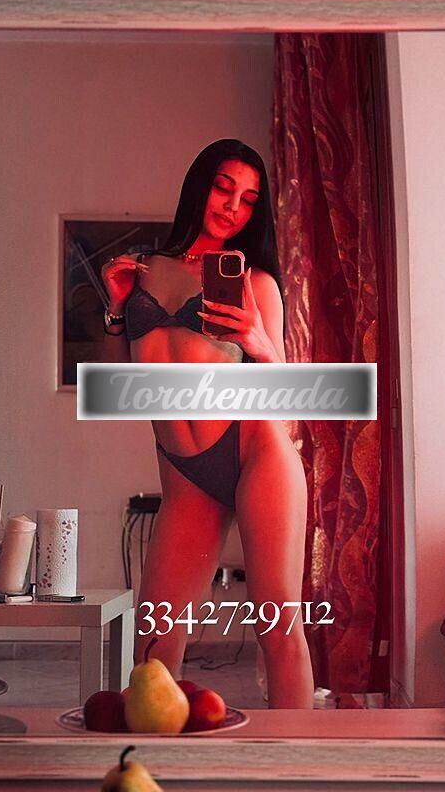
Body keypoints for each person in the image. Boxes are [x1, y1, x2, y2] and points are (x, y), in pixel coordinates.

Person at [101, 139, 314, 709]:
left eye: (248, 199)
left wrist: (258, 341)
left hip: (255, 452)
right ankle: (156, 755)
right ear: (199, 185)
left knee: (278, 628)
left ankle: (297, 757)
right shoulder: (145, 271)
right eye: (223, 188)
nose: (232, 207)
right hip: (185, 476)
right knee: (153, 646)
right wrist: (117, 308)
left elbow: (287, 403)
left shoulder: (255, 284)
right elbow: (122, 382)